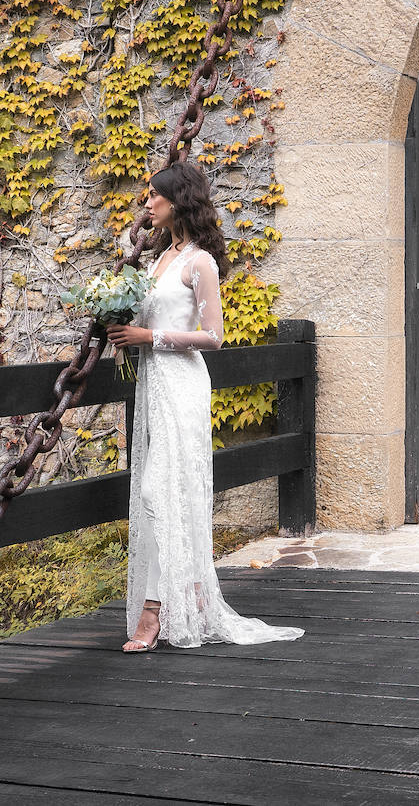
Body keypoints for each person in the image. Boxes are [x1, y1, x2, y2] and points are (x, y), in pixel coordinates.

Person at [106, 162, 304, 653]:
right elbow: (146, 316)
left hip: (183, 384)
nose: (146, 203)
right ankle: (184, 590)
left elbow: (214, 336)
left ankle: (155, 612)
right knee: (161, 491)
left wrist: (149, 336)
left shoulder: (201, 262)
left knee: (159, 490)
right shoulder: (158, 260)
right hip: (153, 384)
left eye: (154, 196)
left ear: (178, 202)